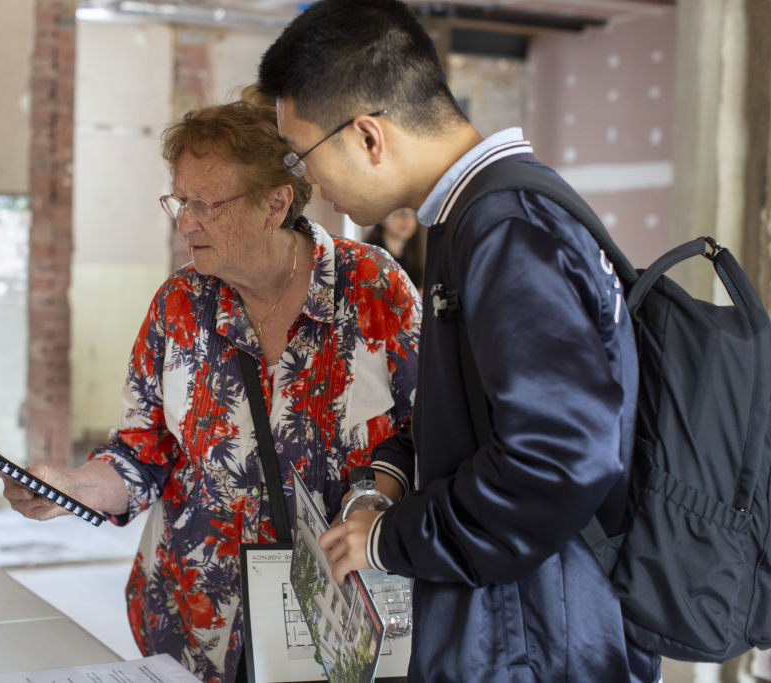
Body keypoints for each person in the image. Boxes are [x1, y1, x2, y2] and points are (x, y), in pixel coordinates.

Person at [257, 1, 661, 681]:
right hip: (520, 623)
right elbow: (483, 416)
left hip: (537, 638)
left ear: (367, 136)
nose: (308, 181)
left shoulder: (505, 228)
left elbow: (558, 456)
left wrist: (392, 538)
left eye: (303, 155)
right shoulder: (481, 215)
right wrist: (390, 474)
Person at [1, 93, 421, 683]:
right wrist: (70, 486)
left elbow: (429, 438)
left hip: (332, 624)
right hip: (195, 625)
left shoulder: (372, 289)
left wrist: (378, 503)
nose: (184, 220)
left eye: (204, 203)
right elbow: (141, 452)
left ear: (275, 204)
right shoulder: (180, 304)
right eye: (179, 199)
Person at [365, 207, 423, 287]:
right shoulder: (368, 257)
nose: (406, 219)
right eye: (399, 213)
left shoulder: (416, 257)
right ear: (382, 218)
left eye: (412, 213)